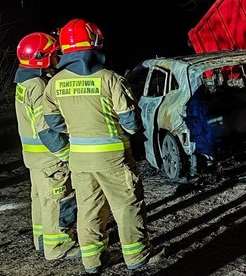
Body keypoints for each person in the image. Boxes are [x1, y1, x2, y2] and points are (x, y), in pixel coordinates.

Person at [41, 19, 163, 274]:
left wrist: (78, 129)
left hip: (79, 160)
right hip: (113, 159)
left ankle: (94, 260)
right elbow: (131, 123)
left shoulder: (54, 83)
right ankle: (137, 255)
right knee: (127, 206)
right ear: (94, 43)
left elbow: (53, 122)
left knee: (89, 209)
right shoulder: (111, 79)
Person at [14, 32, 79, 260]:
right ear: (41, 58)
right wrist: (66, 154)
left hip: (35, 158)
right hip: (50, 158)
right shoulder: (39, 86)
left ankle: (42, 240)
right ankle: (58, 246)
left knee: (41, 200)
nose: (57, 58)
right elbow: (45, 129)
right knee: (58, 201)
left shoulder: (25, 82)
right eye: (53, 54)